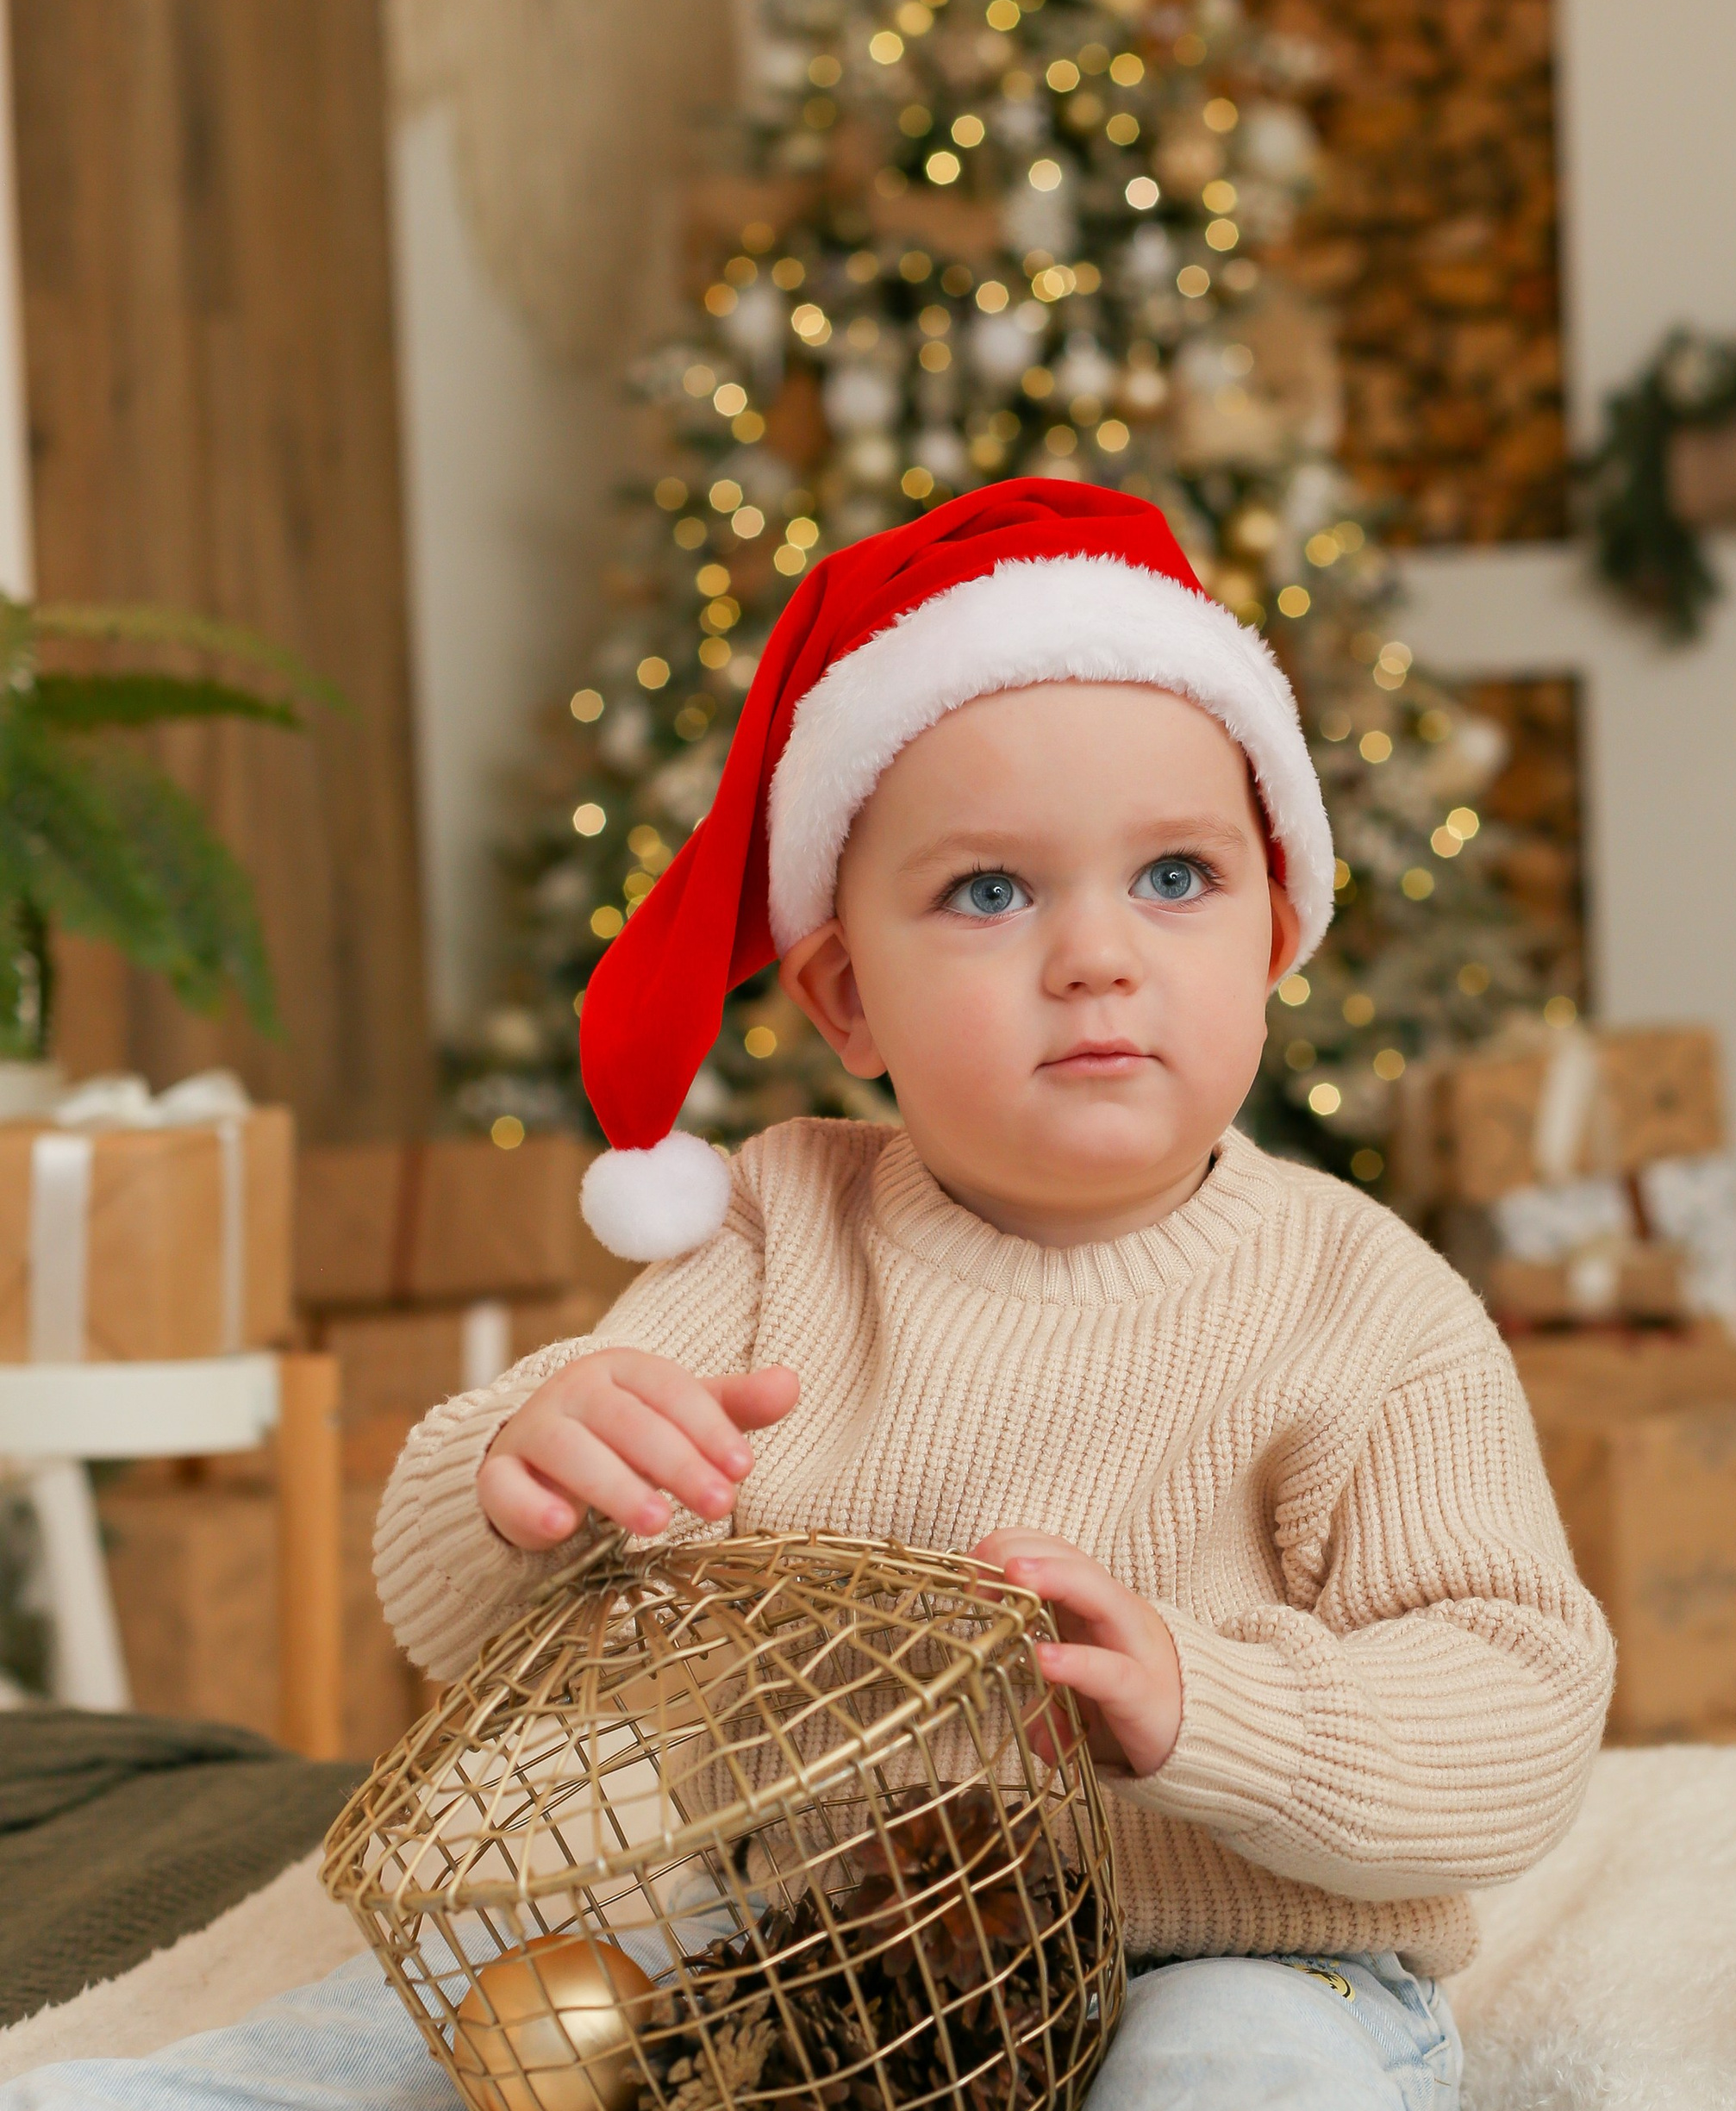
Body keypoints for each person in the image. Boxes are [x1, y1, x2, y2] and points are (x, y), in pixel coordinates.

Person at [11, 479, 1613, 2111]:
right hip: (807, 1943)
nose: (1095, 956)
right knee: (408, 2041)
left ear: (1280, 923)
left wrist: (1214, 1708)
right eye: (991, 892)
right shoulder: (780, 1229)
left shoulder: (1367, 1303)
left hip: (1235, 1946)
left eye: (1177, 878)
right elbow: (483, 1627)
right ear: (849, 996)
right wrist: (526, 1473)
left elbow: (1518, 1702)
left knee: (1240, 2075)